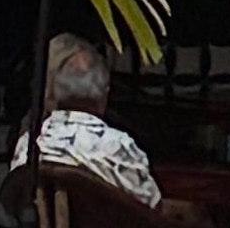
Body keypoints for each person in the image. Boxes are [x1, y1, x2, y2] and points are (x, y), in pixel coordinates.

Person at [8, 33, 158, 208]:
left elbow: (12, 200)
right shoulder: (118, 145)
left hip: (40, 227)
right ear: (104, 94)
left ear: (54, 91)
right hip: (107, 226)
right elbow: (152, 204)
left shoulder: (28, 145)